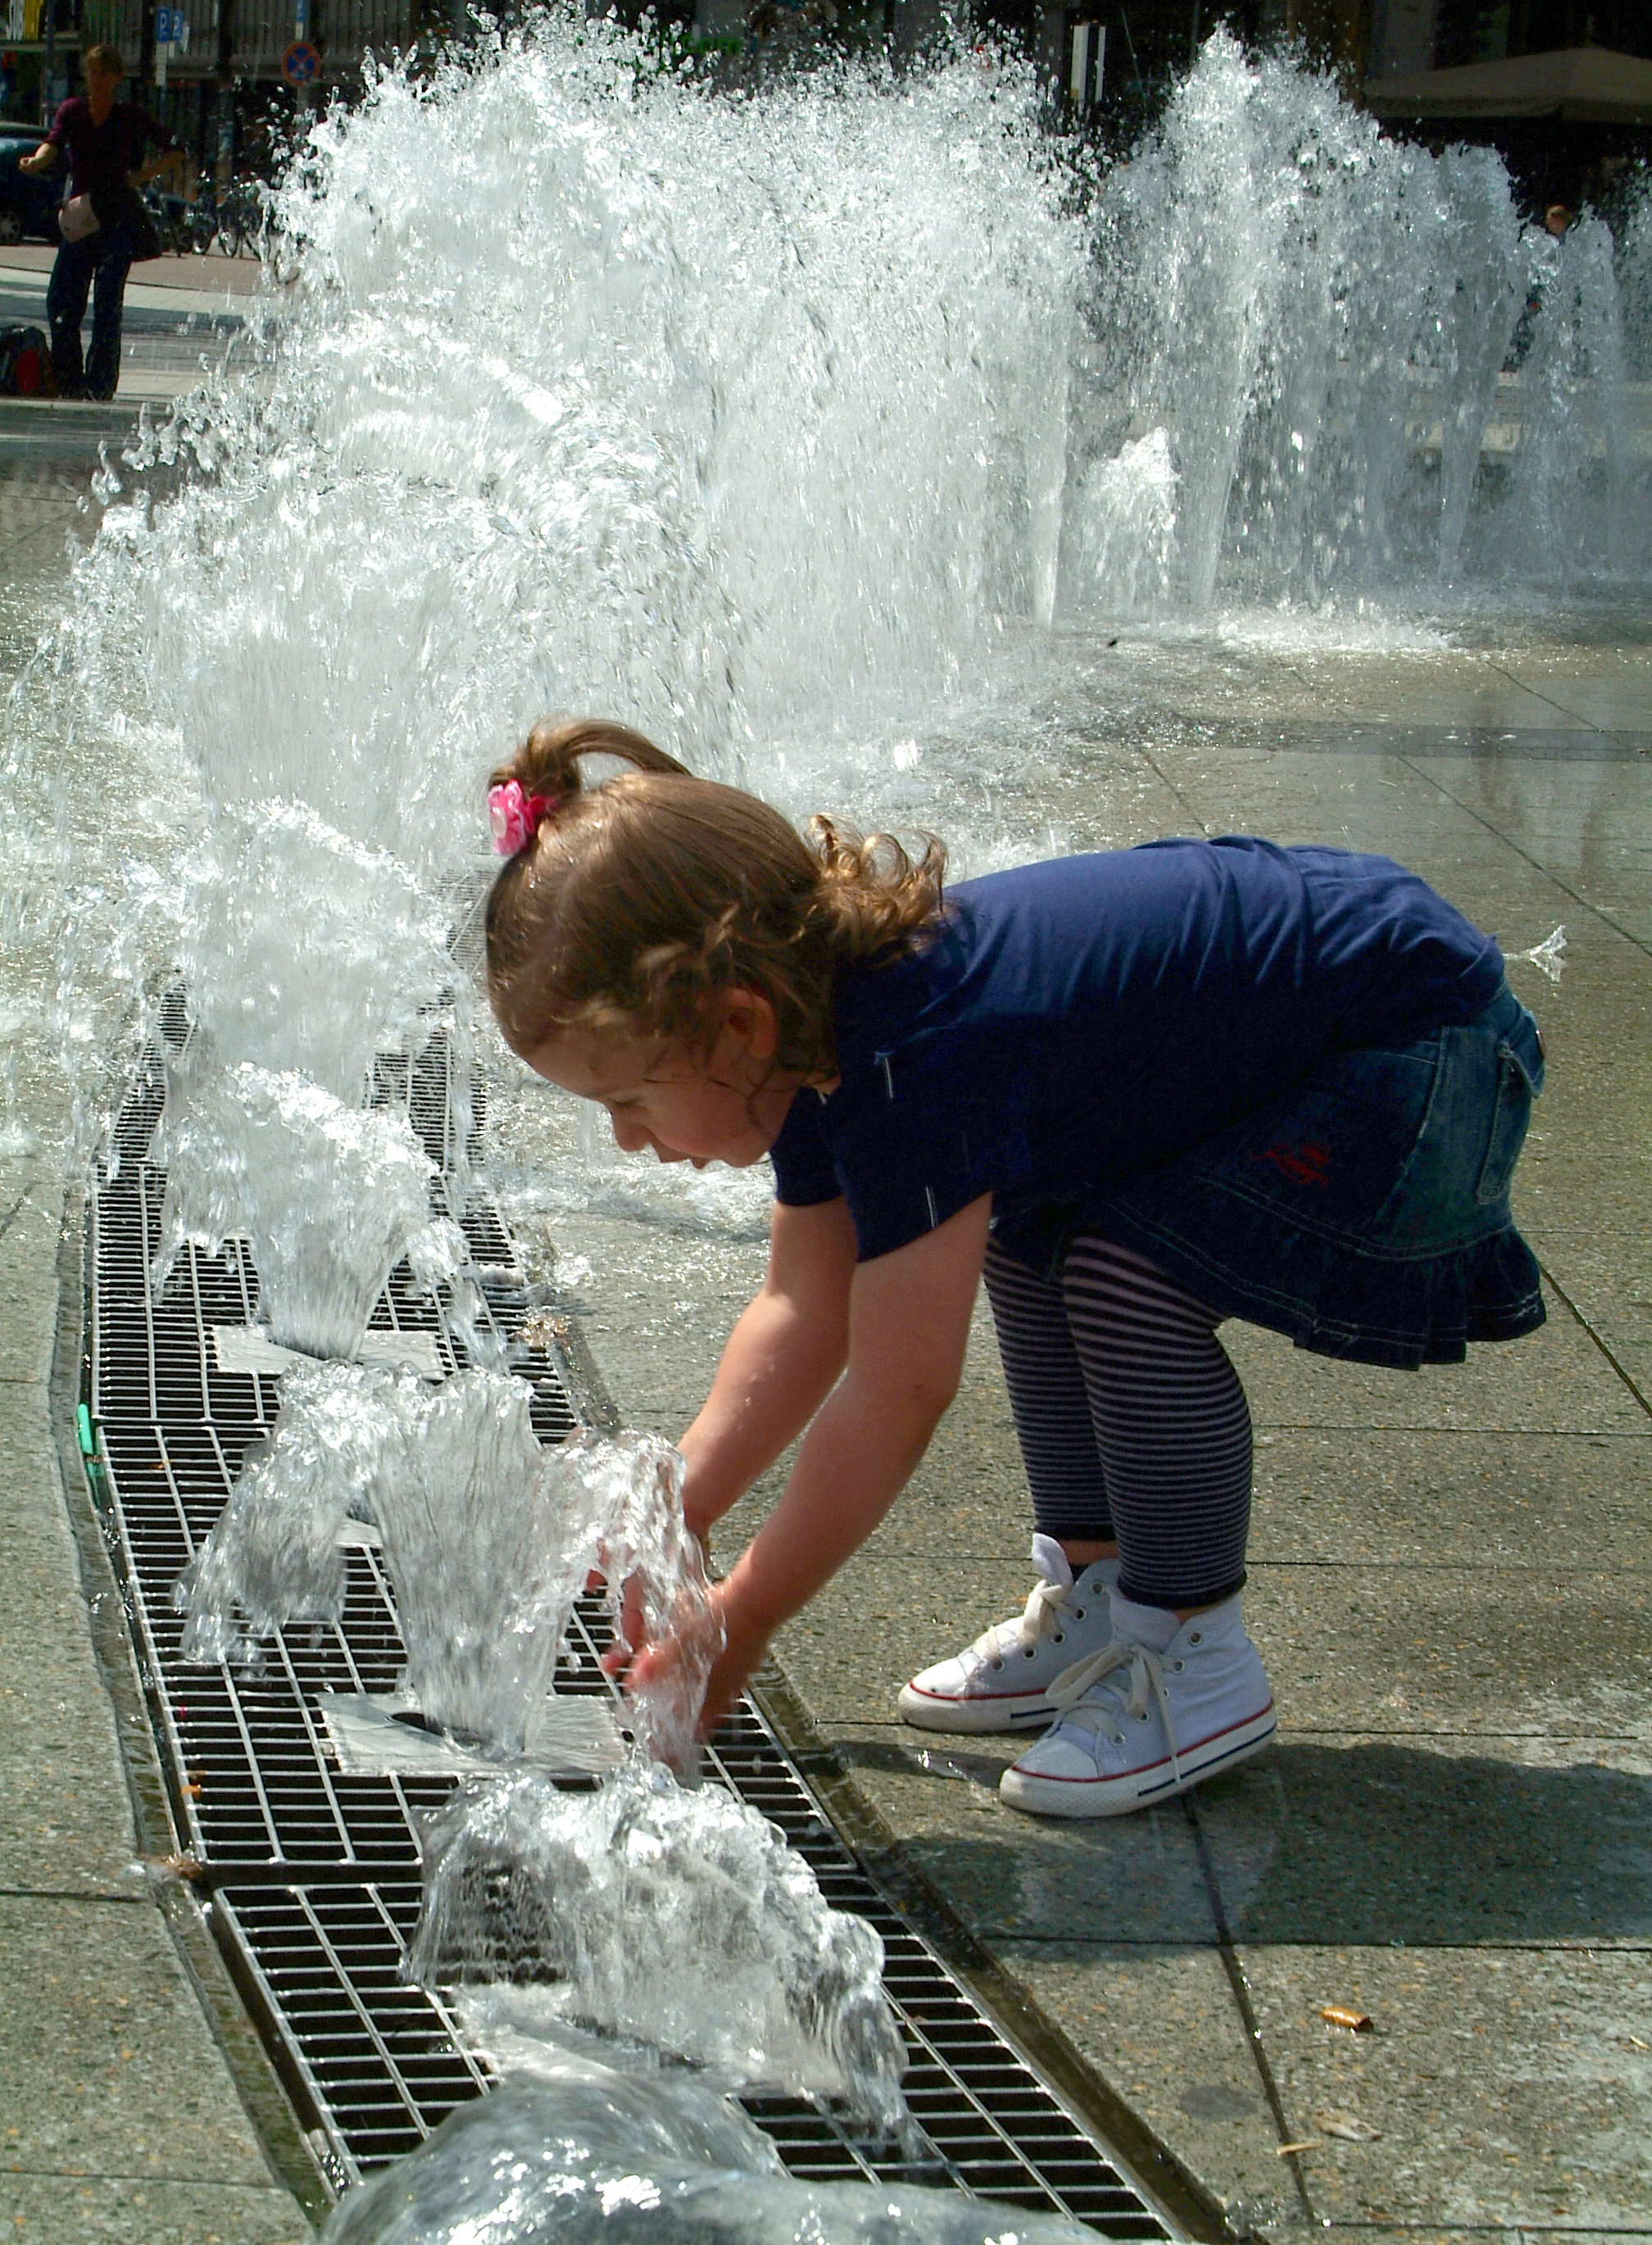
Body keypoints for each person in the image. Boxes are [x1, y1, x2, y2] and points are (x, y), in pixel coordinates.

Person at [483, 720, 1545, 1820]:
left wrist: (738, 1619)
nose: (625, 1140)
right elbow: (803, 1306)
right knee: (1031, 1242)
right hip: (1355, 1020)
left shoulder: (917, 1055)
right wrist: (682, 1499)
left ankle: (1196, 1651)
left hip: (1423, 1052)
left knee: (1123, 1273)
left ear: (733, 1022)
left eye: (628, 1101)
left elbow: (898, 1388)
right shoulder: (814, 1033)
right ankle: (1101, 1590)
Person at [18, 43, 178, 401]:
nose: (99, 79)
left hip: (117, 216)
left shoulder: (128, 115)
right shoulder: (73, 110)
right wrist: (36, 162)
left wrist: (142, 176)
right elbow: (53, 143)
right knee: (61, 300)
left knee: (107, 303)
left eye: (105, 72)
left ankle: (100, 384)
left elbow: (175, 148)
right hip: (82, 215)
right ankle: (69, 378)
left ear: (118, 77)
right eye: (93, 71)